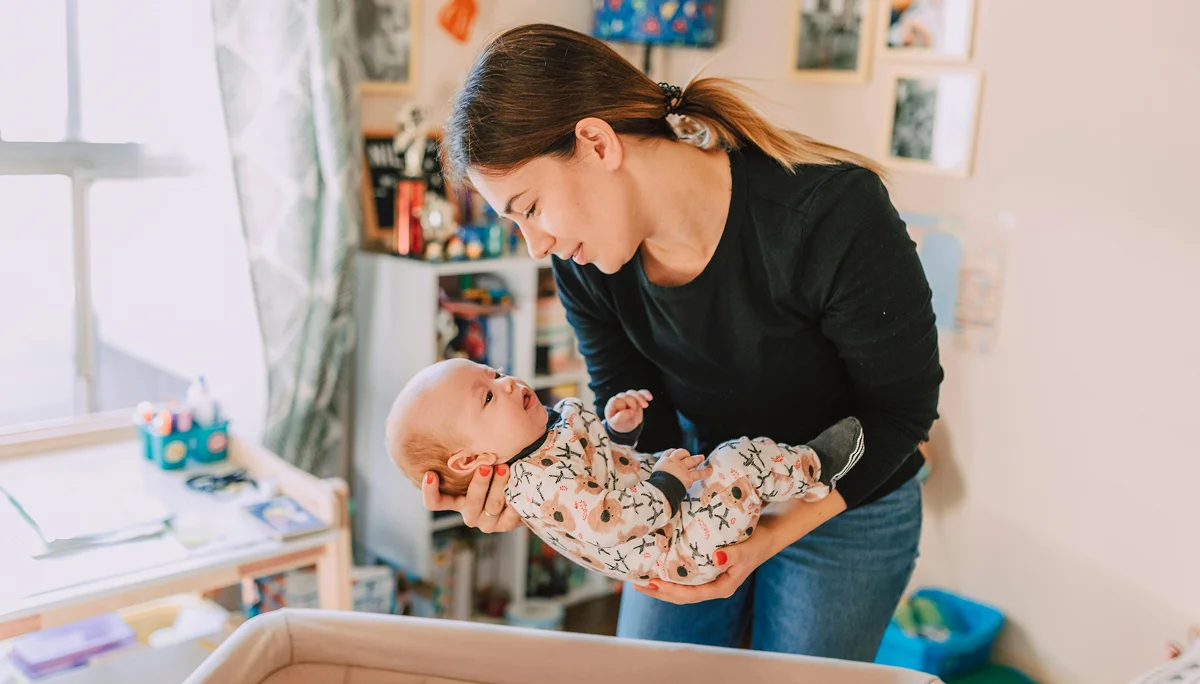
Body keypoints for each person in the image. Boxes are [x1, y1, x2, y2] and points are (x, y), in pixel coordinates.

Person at [420, 23, 942, 660]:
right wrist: (535, 479)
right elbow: (631, 402)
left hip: (846, 499)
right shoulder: (583, 264)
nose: (538, 245)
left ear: (596, 142)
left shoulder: (830, 215)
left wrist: (766, 536)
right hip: (692, 481)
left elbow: (903, 410)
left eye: (529, 208)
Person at [386, 358, 863, 585]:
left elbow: (602, 473)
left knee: (735, 465)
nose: (507, 383)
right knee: (739, 459)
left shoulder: (542, 439)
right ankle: (817, 467)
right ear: (472, 461)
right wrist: (668, 483)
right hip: (677, 546)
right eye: (488, 396)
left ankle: (798, 477)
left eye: (491, 372)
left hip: (671, 515)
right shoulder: (538, 485)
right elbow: (606, 519)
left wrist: (620, 432)